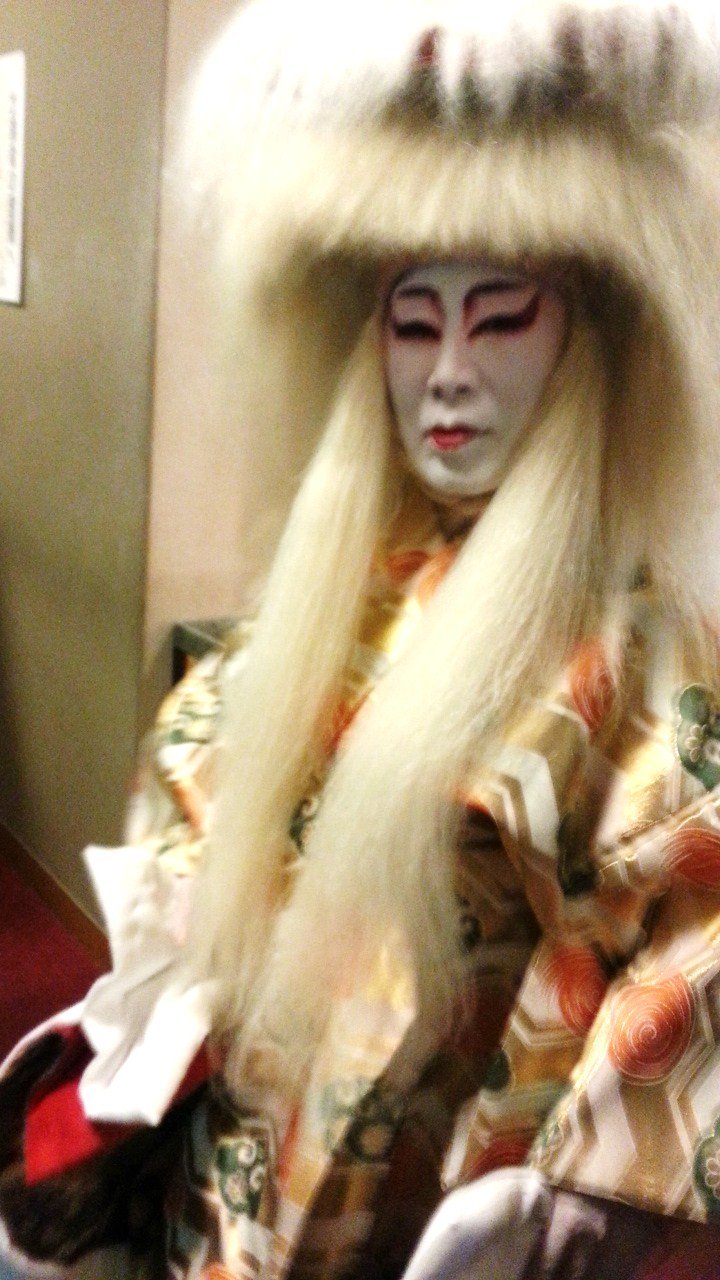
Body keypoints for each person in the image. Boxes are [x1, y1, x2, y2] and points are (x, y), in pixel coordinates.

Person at [4, 0, 720, 1276]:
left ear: (586, 338)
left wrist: (575, 1189)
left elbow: (696, 923)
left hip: (432, 1170)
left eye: (499, 319)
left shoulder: (632, 647)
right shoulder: (345, 571)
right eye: (413, 322)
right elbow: (208, 760)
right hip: (249, 1103)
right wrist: (179, 944)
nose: (447, 372)